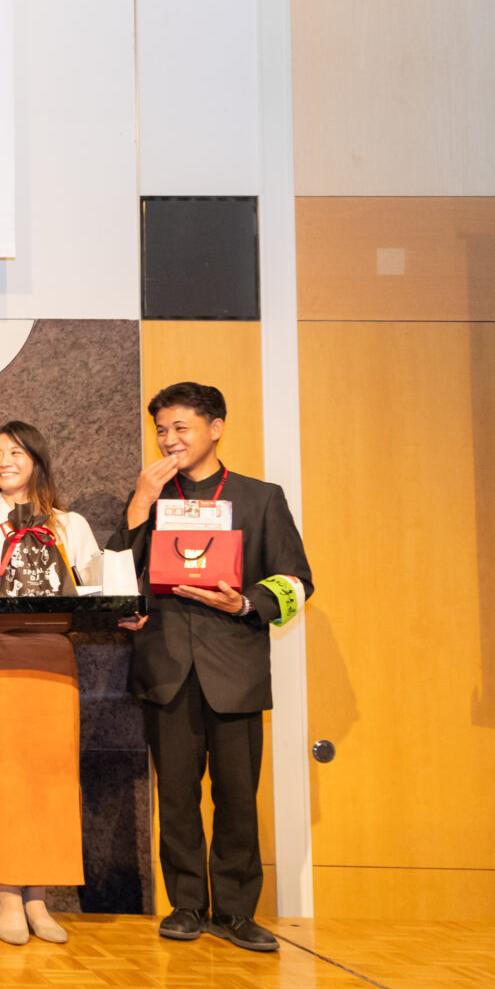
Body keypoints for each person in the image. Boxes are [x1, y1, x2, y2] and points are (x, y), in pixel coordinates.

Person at [112, 382, 313, 954]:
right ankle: (186, 906)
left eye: (181, 427)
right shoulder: (150, 497)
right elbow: (115, 574)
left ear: (216, 428)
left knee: (237, 798)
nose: (169, 439)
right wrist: (139, 505)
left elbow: (297, 580)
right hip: (166, 667)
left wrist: (246, 602)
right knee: (176, 797)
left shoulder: (260, 498)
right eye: (161, 430)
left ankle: (235, 911)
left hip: (235, 672)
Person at [0, 422, 102, 945]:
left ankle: (39, 898)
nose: (3, 461)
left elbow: (94, 588)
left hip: (52, 657)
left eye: (15, 452)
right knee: (1, 776)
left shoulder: (70, 524)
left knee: (50, 777)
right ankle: (8, 895)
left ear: (37, 459)